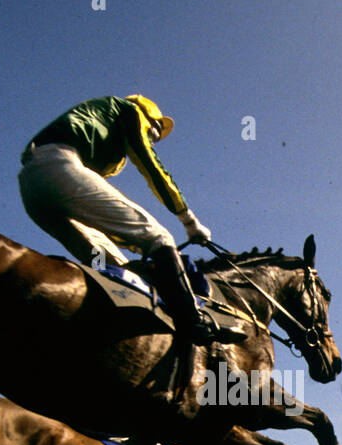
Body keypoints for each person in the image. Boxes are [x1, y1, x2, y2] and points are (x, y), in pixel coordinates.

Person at [18, 94, 218, 343]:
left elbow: (101, 219)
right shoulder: (129, 111)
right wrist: (189, 221)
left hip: (32, 188)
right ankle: (193, 324)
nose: (155, 138)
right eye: (156, 128)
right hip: (58, 166)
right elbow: (151, 166)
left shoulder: (103, 132)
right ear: (146, 116)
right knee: (159, 236)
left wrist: (134, 244)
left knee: (112, 264)